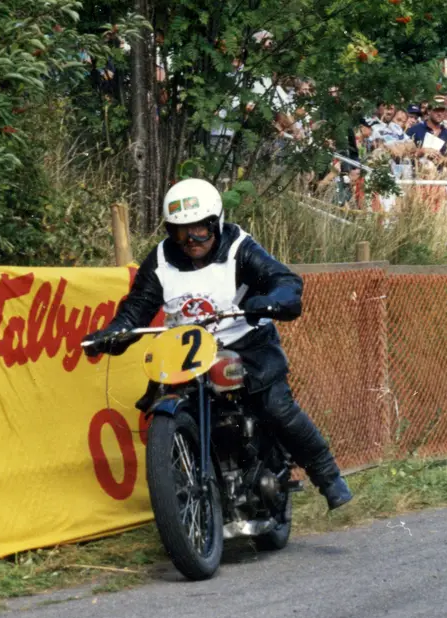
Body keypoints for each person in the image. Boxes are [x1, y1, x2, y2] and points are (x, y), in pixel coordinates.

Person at [82, 178, 353, 511]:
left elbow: (282, 280)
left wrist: (270, 301)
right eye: (181, 232)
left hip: (245, 345)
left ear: (216, 224)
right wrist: (112, 333)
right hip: (186, 354)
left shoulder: (239, 248)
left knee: (275, 407)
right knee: (163, 407)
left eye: (200, 230)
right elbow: (137, 307)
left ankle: (327, 475)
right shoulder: (161, 260)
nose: (191, 240)